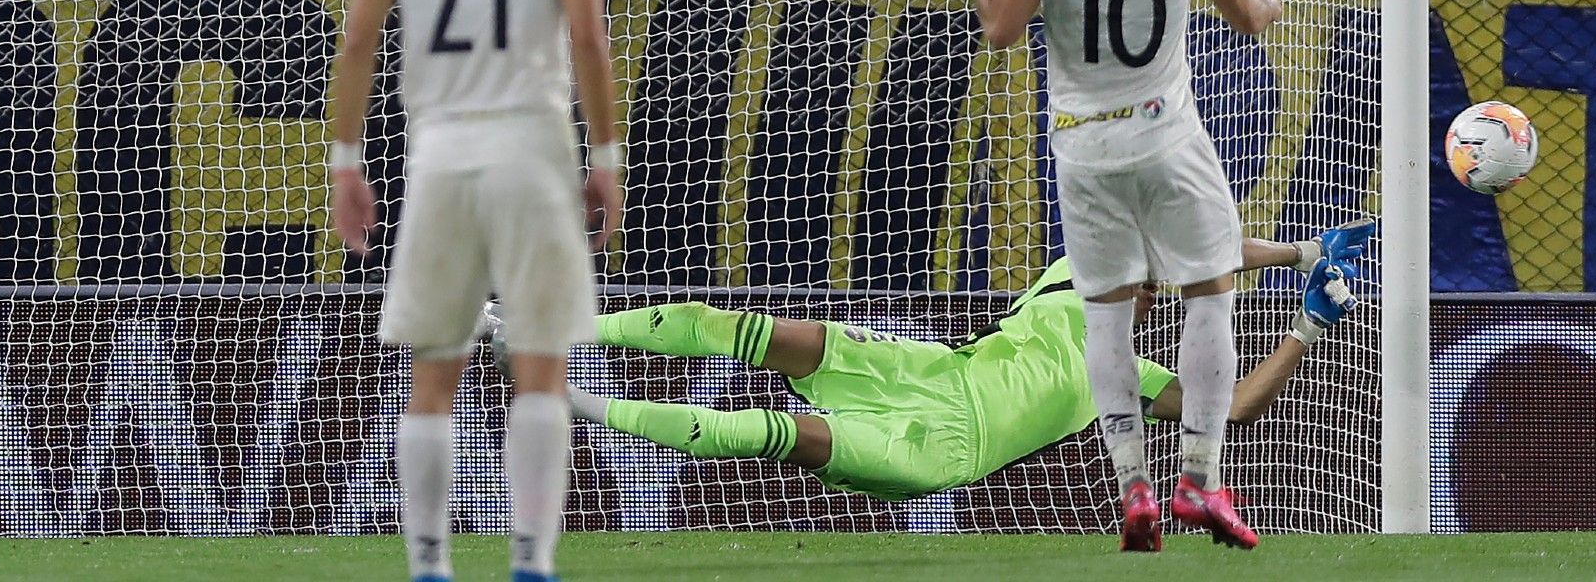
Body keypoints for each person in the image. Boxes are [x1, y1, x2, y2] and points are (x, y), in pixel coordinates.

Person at [327, 0, 622, 582]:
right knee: (539, 366)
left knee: (435, 368)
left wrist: (346, 162)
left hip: (441, 154)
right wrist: (603, 156)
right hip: (531, 148)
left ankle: (429, 568)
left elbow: (356, 43)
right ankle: (530, 563)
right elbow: (589, 39)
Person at [495, 228, 1367, 506]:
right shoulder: (1071, 282)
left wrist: (1310, 322)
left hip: (940, 454)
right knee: (753, 330)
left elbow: (1238, 409)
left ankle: (570, 398)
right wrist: (1294, 252)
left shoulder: (1131, 379)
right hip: (922, 374)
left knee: (762, 435)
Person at [975, 0, 1286, 550]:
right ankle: (1200, 483)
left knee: (1107, 318)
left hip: (1084, 152)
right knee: (1210, 294)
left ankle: (1134, 491)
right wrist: (1272, 3)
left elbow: (1002, 33)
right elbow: (1247, 18)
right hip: (1169, 141)